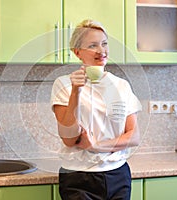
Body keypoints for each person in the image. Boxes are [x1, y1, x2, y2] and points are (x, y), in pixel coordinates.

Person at [50, 19, 142, 200]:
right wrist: (76, 91)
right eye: (93, 45)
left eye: (104, 44)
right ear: (78, 52)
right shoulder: (64, 85)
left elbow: (134, 136)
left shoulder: (121, 85)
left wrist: (96, 146)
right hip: (79, 177)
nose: (101, 51)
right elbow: (69, 139)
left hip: (118, 174)